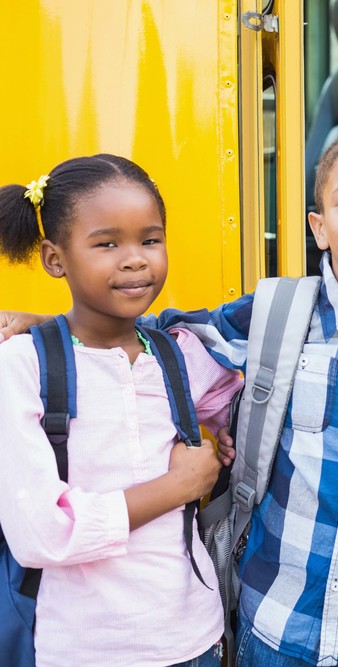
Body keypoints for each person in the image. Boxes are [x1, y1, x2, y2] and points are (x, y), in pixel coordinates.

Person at [0, 154, 243, 666]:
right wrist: (180, 485)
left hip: (195, 637)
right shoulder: (22, 365)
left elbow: (243, 413)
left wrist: (227, 439)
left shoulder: (179, 355)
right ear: (54, 259)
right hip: (83, 648)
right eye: (107, 244)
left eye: (150, 240)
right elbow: (43, 533)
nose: (135, 260)